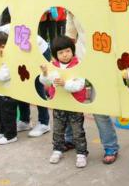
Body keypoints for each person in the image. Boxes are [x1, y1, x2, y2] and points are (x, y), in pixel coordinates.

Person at [65, 0, 120, 164]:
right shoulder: (71, 9)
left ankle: (111, 147)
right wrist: (65, 62)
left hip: (101, 59)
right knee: (70, 101)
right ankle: (69, 139)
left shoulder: (103, 4)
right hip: (79, 58)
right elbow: (70, 37)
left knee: (98, 106)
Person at [0, 19, 51, 136]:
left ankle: (44, 123)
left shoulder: (5, 35)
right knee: (19, 87)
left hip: (38, 52)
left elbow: (27, 43)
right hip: (23, 56)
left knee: (35, 86)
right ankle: (24, 120)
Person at [39, 36, 88, 168]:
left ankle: (81, 153)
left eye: (67, 51)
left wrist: (65, 83)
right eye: (60, 53)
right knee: (58, 129)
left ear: (72, 51)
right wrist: (44, 73)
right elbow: (46, 82)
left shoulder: (78, 65)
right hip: (59, 104)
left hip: (75, 104)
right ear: (55, 55)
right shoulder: (53, 66)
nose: (65, 55)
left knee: (78, 131)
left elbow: (79, 85)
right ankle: (57, 150)